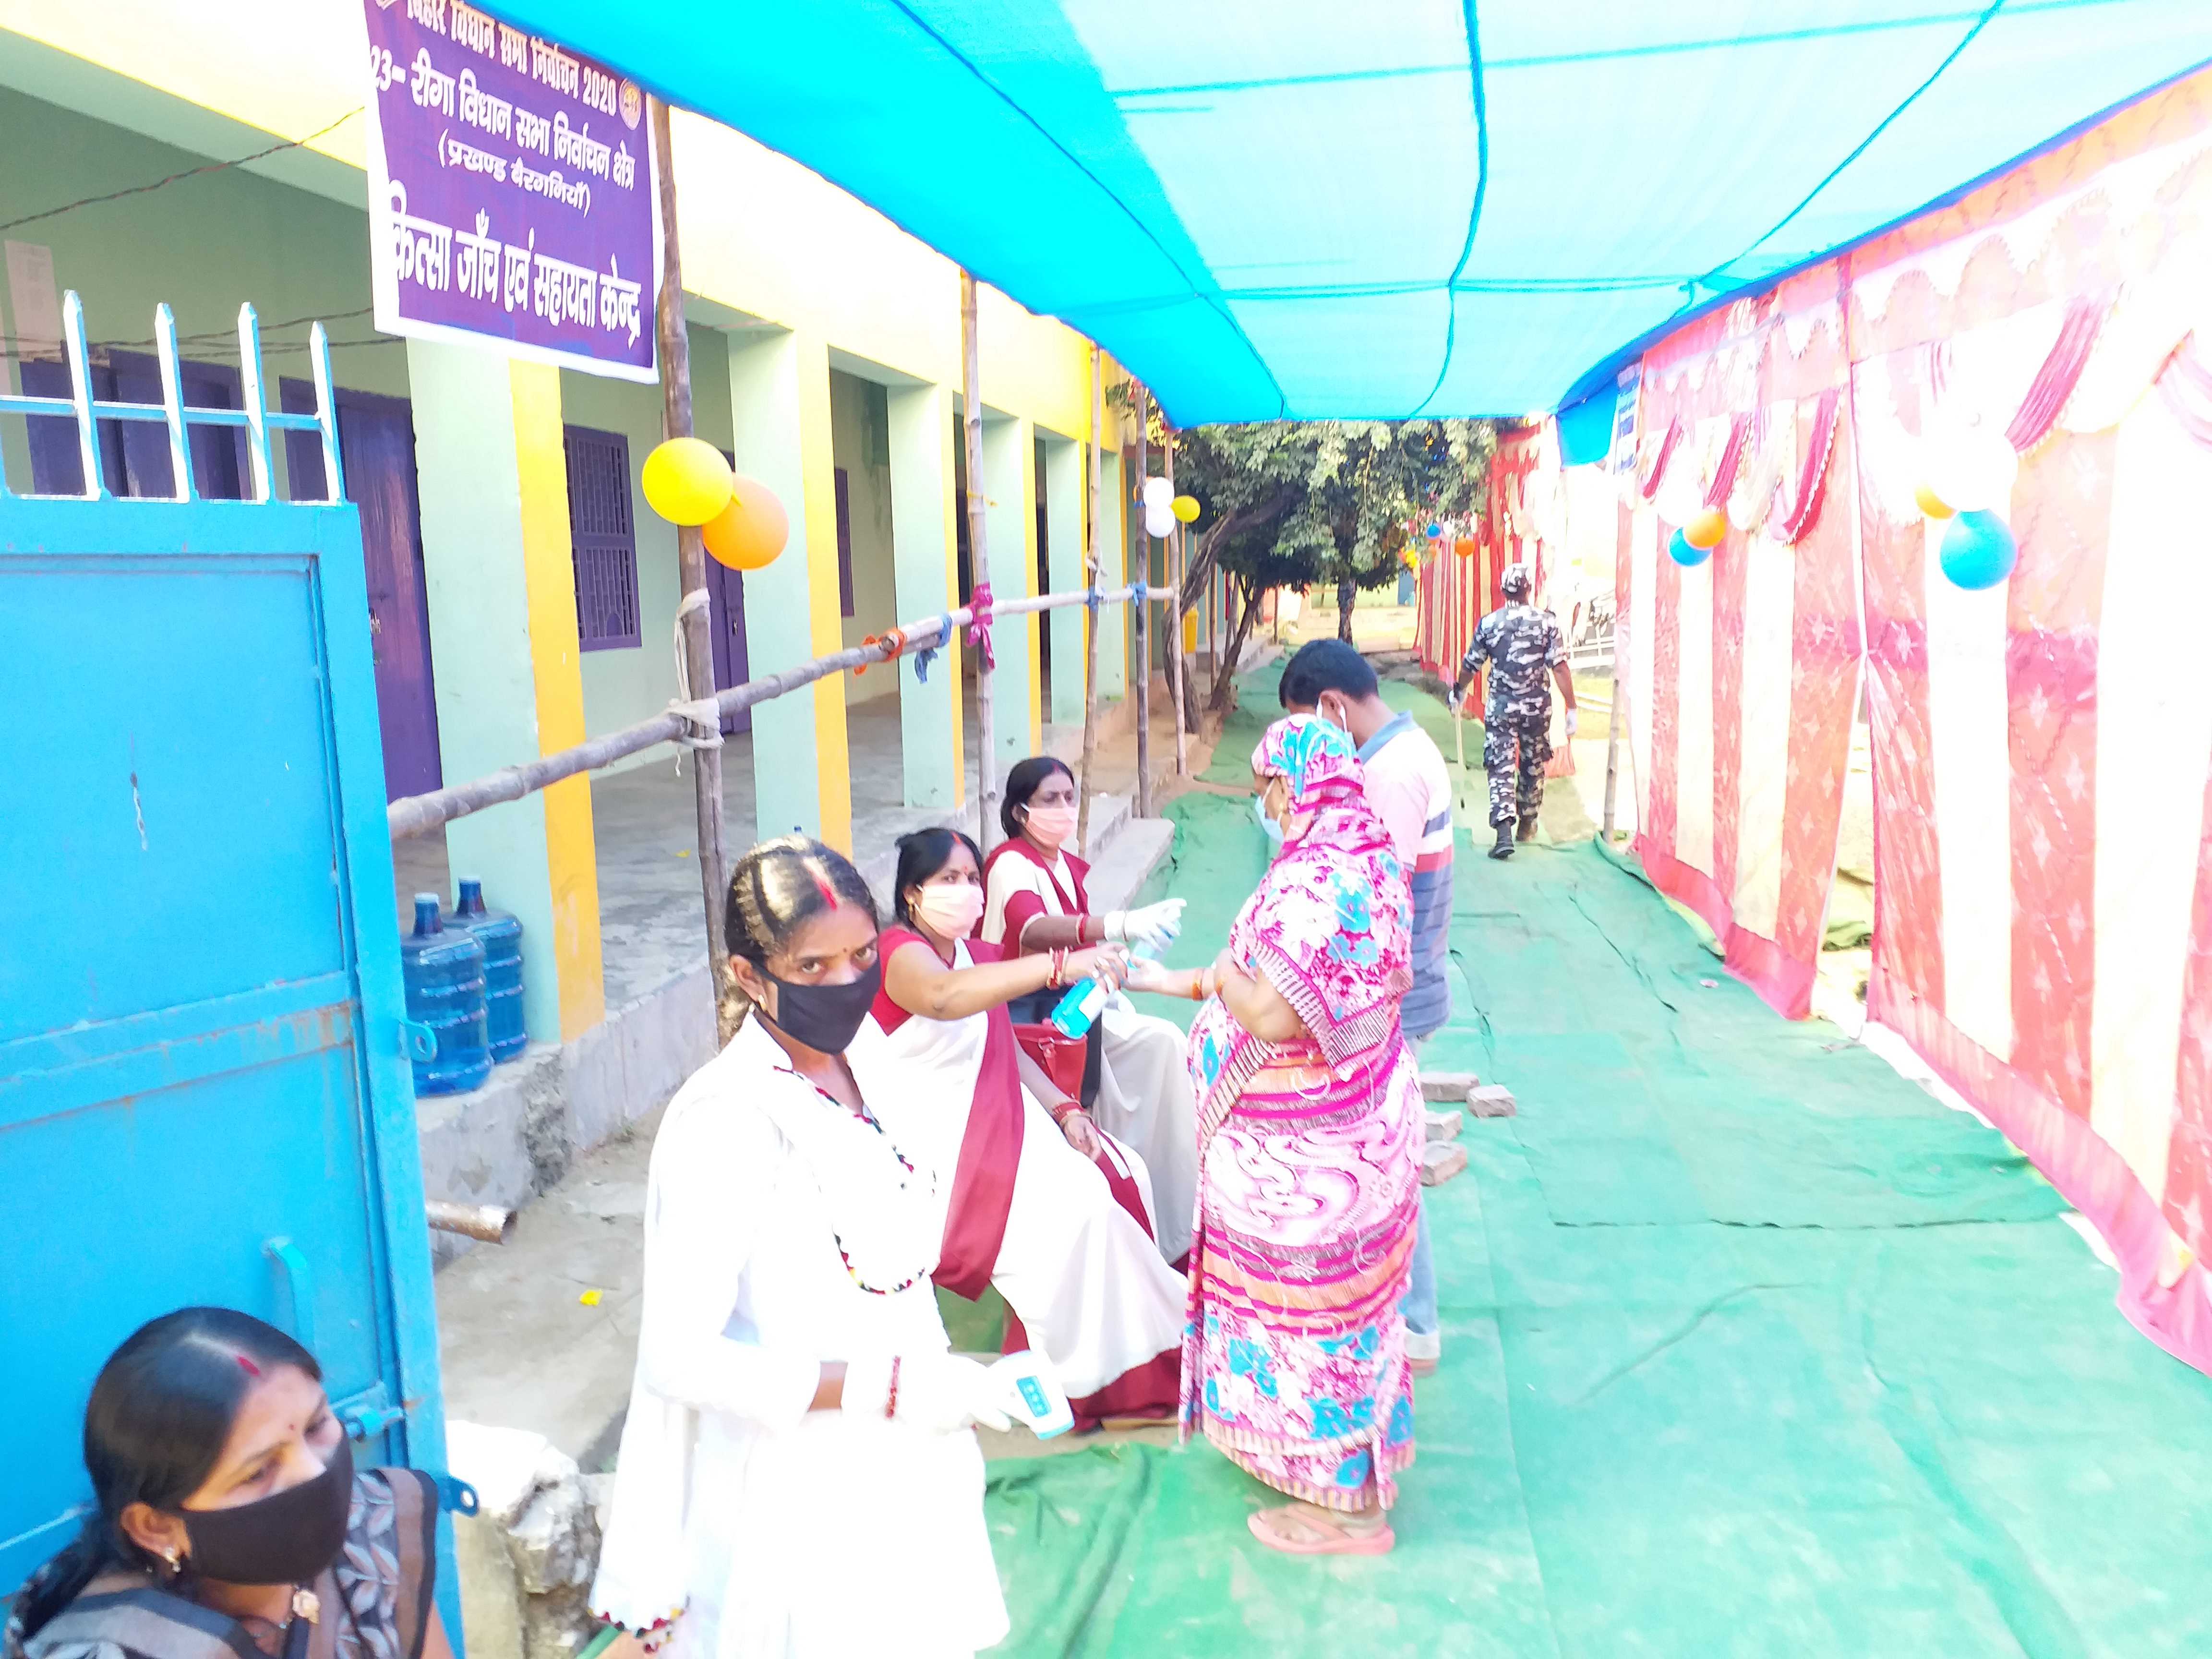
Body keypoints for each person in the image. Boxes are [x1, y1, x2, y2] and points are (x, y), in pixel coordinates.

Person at [592, 837, 1012, 1659]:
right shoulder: (729, 1120)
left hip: (908, 1452)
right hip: (801, 1489)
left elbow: (889, 1258)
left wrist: (928, 1384)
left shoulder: (867, 1055)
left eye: (861, 956)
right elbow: (678, 1359)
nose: (848, 982)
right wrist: (879, 1387)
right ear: (750, 976)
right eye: (812, 967)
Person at [1128, 716, 1420, 1557]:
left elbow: (1269, 1009)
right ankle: (1327, 1464)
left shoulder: (1315, 882)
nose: (1262, 804)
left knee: (1313, 1323)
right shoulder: (1367, 857)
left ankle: (1348, 1514)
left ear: (1288, 787)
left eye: (1262, 788)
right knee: (1343, 1316)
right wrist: (1174, 980)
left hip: (1308, 1168)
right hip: (1355, 1138)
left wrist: (1219, 975)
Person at [871, 827, 1185, 1425]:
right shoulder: (899, 952)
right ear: (913, 894)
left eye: (971, 880)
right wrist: (1064, 965)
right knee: (1079, 1216)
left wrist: (1064, 1109)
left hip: (1002, 1113)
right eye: (948, 880)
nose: (966, 892)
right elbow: (943, 998)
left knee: (1121, 1177)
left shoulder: (976, 957)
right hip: (942, 1143)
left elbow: (1002, 1045)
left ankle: (1141, 1360)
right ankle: (1087, 1379)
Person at [6, 1308, 451, 1659]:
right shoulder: (114, 1648)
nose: (315, 1474)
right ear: (157, 1526)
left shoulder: (374, 1530)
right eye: (258, 1472)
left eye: (316, 1426)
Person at [1278, 638, 1457, 1376]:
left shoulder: (1389, 776)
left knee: (1379, 1163)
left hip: (1384, 1001)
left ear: (1333, 707)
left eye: (1307, 730)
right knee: (1376, 1156)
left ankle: (1410, 1320)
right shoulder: (1396, 755)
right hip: (1387, 995)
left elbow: (1366, 905)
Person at [981, 757, 1200, 1265]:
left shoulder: (1060, 862)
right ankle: (1137, 1209)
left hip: (1074, 1003)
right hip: (1025, 1015)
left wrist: (1120, 960)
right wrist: (1115, 926)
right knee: (1156, 1048)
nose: (1063, 809)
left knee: (1166, 1045)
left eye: (1069, 798)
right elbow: (1031, 929)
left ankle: (1169, 1219)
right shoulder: (1011, 862)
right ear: (1019, 812)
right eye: (1048, 800)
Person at [1453, 562, 1576, 859]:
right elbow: (1558, 667)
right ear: (1528, 590)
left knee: (1501, 766)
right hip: (1536, 707)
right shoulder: (1547, 623)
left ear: (1503, 590)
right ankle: (1528, 823)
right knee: (1533, 763)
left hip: (1502, 707)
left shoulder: (1490, 623)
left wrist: (1459, 691)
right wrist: (1572, 706)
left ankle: (1504, 833)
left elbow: (1471, 665)